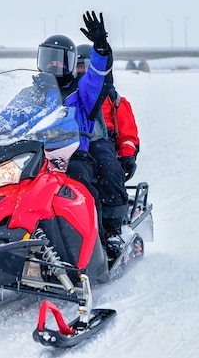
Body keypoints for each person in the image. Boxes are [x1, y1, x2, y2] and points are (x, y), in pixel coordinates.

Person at [37, 11, 124, 260]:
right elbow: (9, 117)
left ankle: (103, 235)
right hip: (36, 155)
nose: (54, 65)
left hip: (73, 153)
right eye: (49, 59)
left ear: (71, 63)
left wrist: (101, 48)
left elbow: (97, 78)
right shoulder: (32, 92)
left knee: (82, 178)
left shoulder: (81, 92)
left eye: (60, 61)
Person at [74, 44, 140, 261]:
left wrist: (128, 154)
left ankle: (112, 230)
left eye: (86, 66)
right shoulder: (67, 93)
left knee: (107, 170)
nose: (82, 71)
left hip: (102, 141)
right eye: (79, 66)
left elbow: (128, 132)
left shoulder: (112, 98)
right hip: (68, 141)